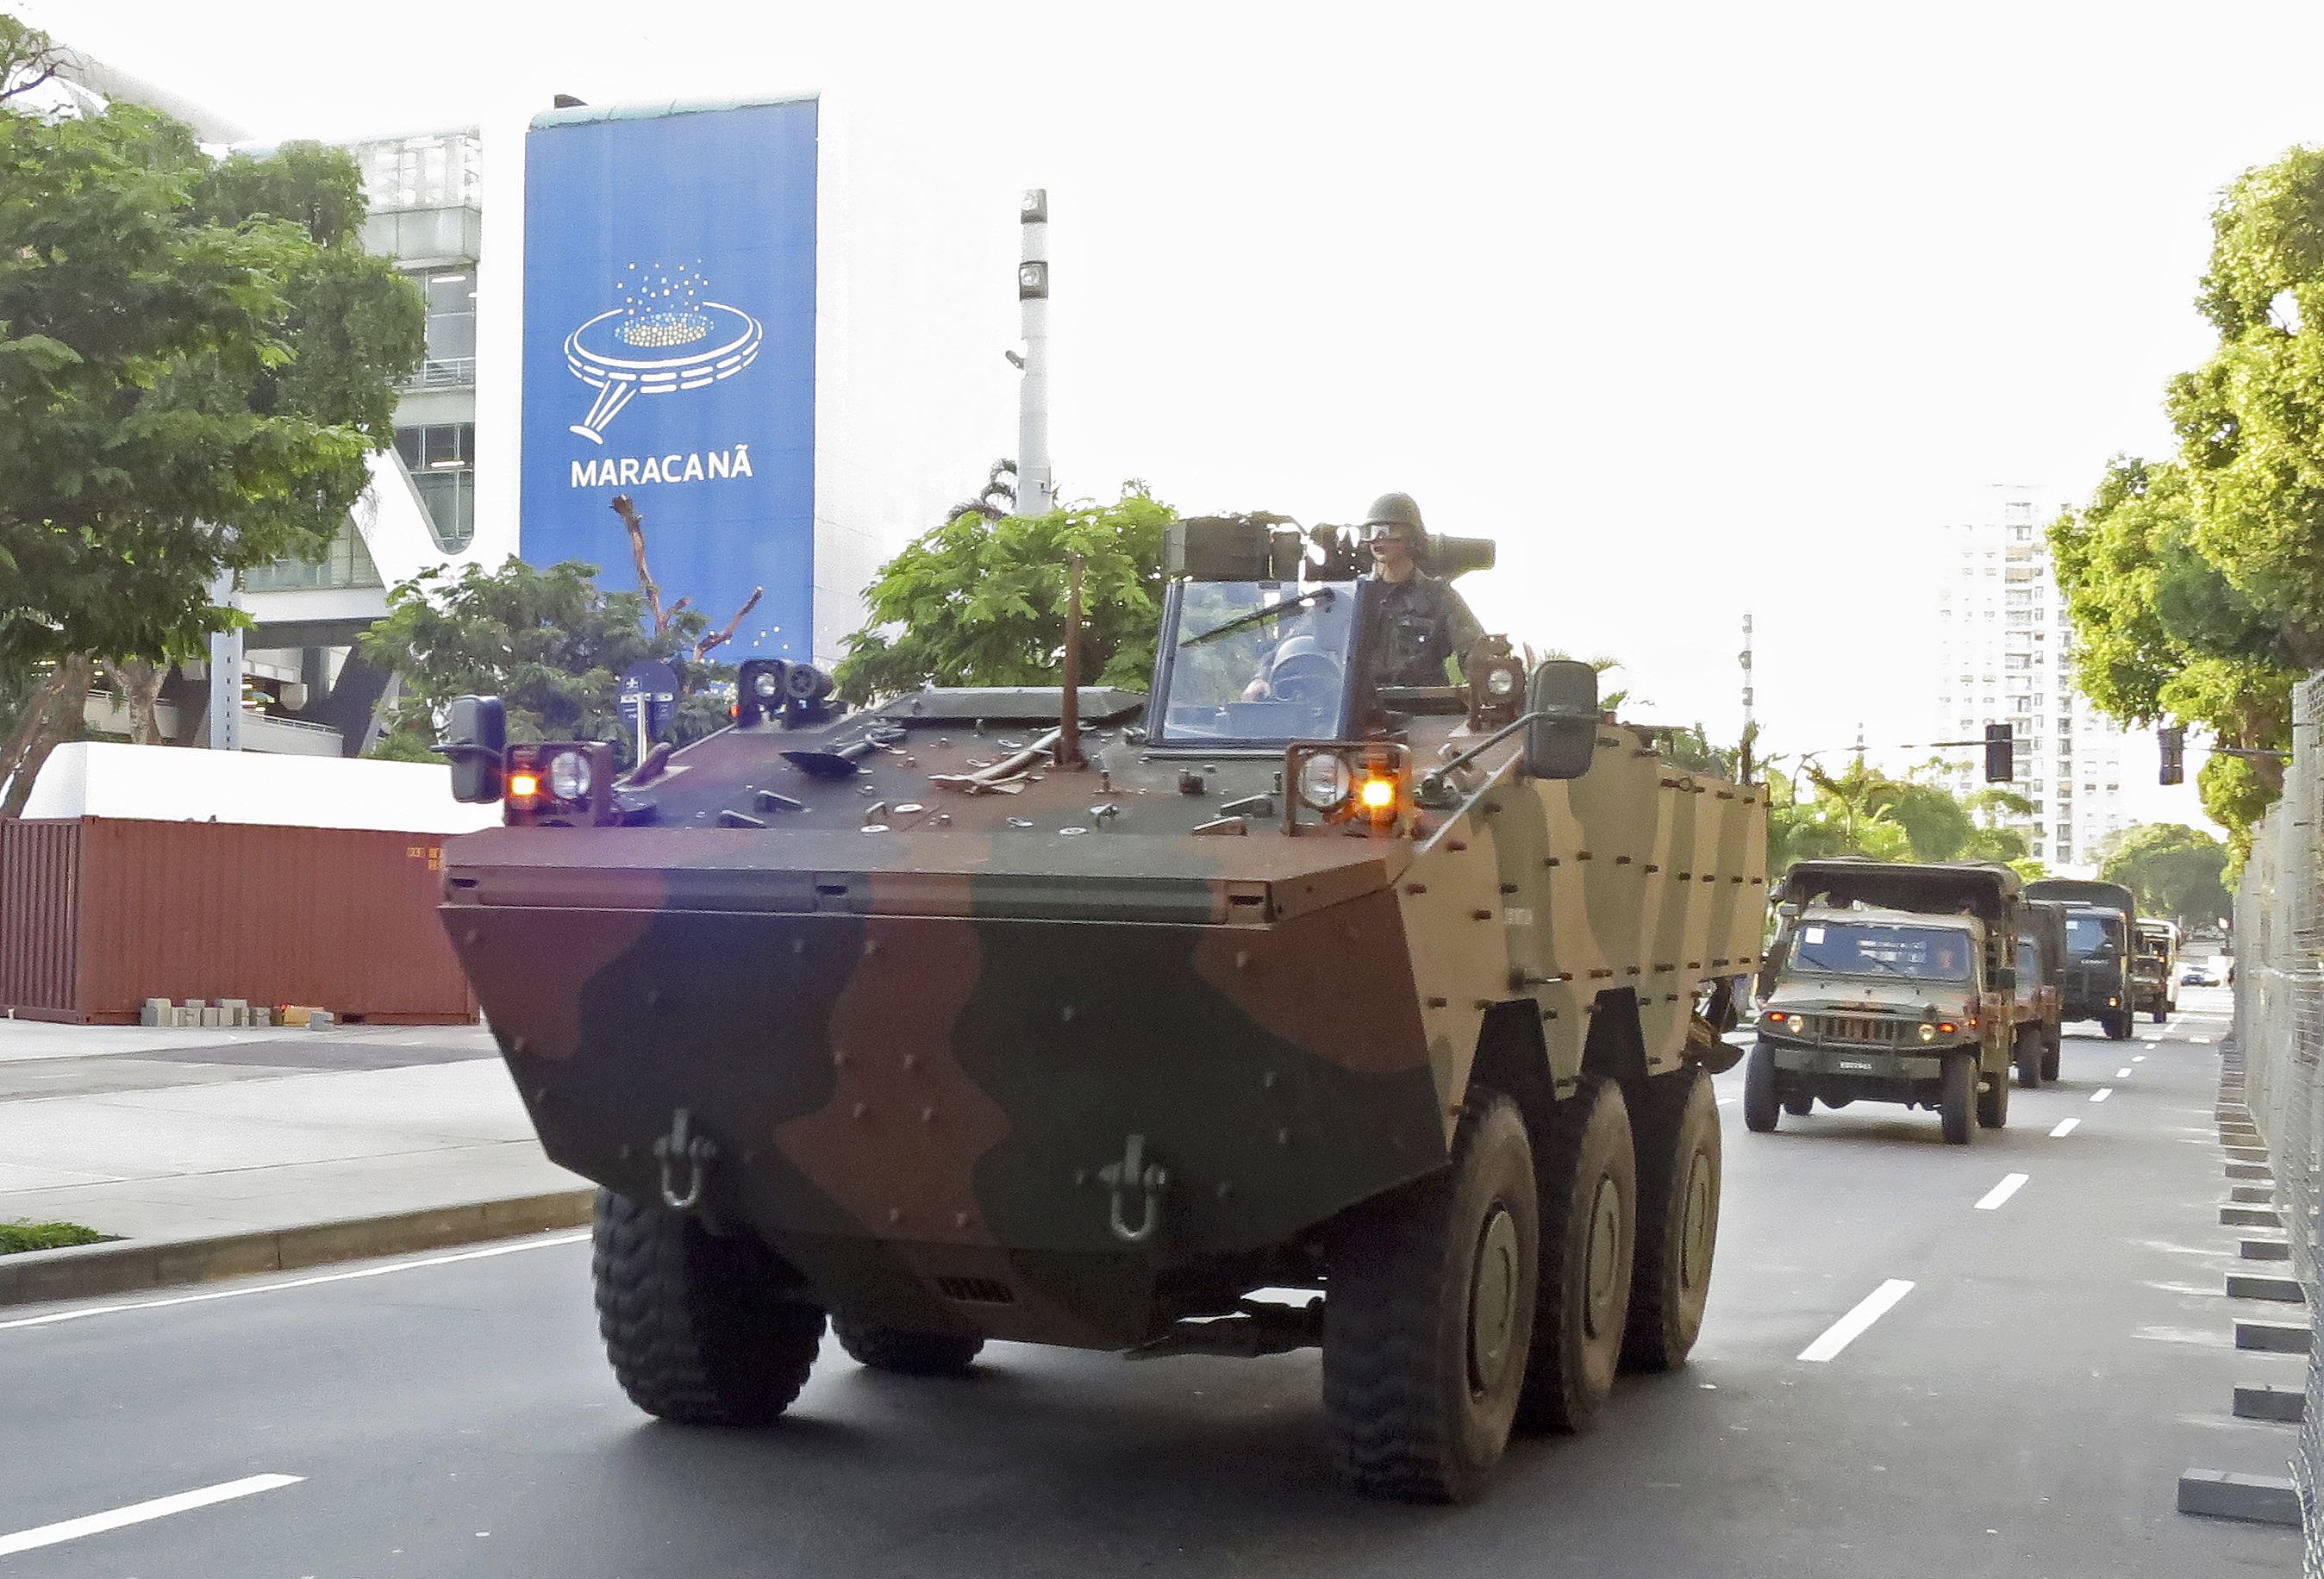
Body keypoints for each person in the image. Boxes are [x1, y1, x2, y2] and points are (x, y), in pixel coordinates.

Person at [1358, 492, 1484, 688]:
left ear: (1411, 537)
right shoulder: (1355, 596)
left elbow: (1476, 655)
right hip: (1360, 710)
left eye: (1387, 530)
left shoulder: (1438, 595)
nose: (1378, 539)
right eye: (1372, 531)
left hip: (1424, 710)